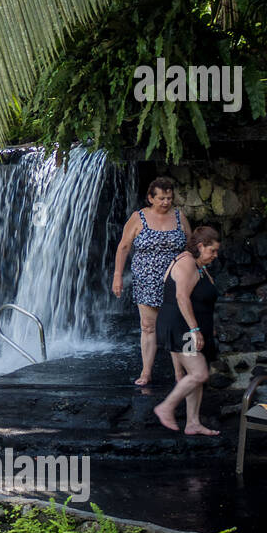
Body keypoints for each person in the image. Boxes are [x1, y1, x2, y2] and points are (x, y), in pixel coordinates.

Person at [112, 177, 191, 385]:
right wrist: (117, 276)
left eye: (169, 198)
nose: (166, 202)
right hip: (146, 279)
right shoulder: (138, 218)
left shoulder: (179, 216)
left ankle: (180, 374)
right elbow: (123, 247)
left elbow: (190, 247)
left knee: (177, 325)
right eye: (161, 198)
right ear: (150, 198)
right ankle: (146, 372)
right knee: (148, 326)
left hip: (176, 279)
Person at [152, 226, 222, 437]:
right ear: (200, 246)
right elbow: (181, 298)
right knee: (200, 373)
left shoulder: (198, 265)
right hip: (182, 328)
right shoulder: (186, 262)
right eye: (212, 251)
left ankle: (192, 423)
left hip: (187, 327)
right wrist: (195, 330)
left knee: (195, 374)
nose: (215, 255)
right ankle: (166, 407)